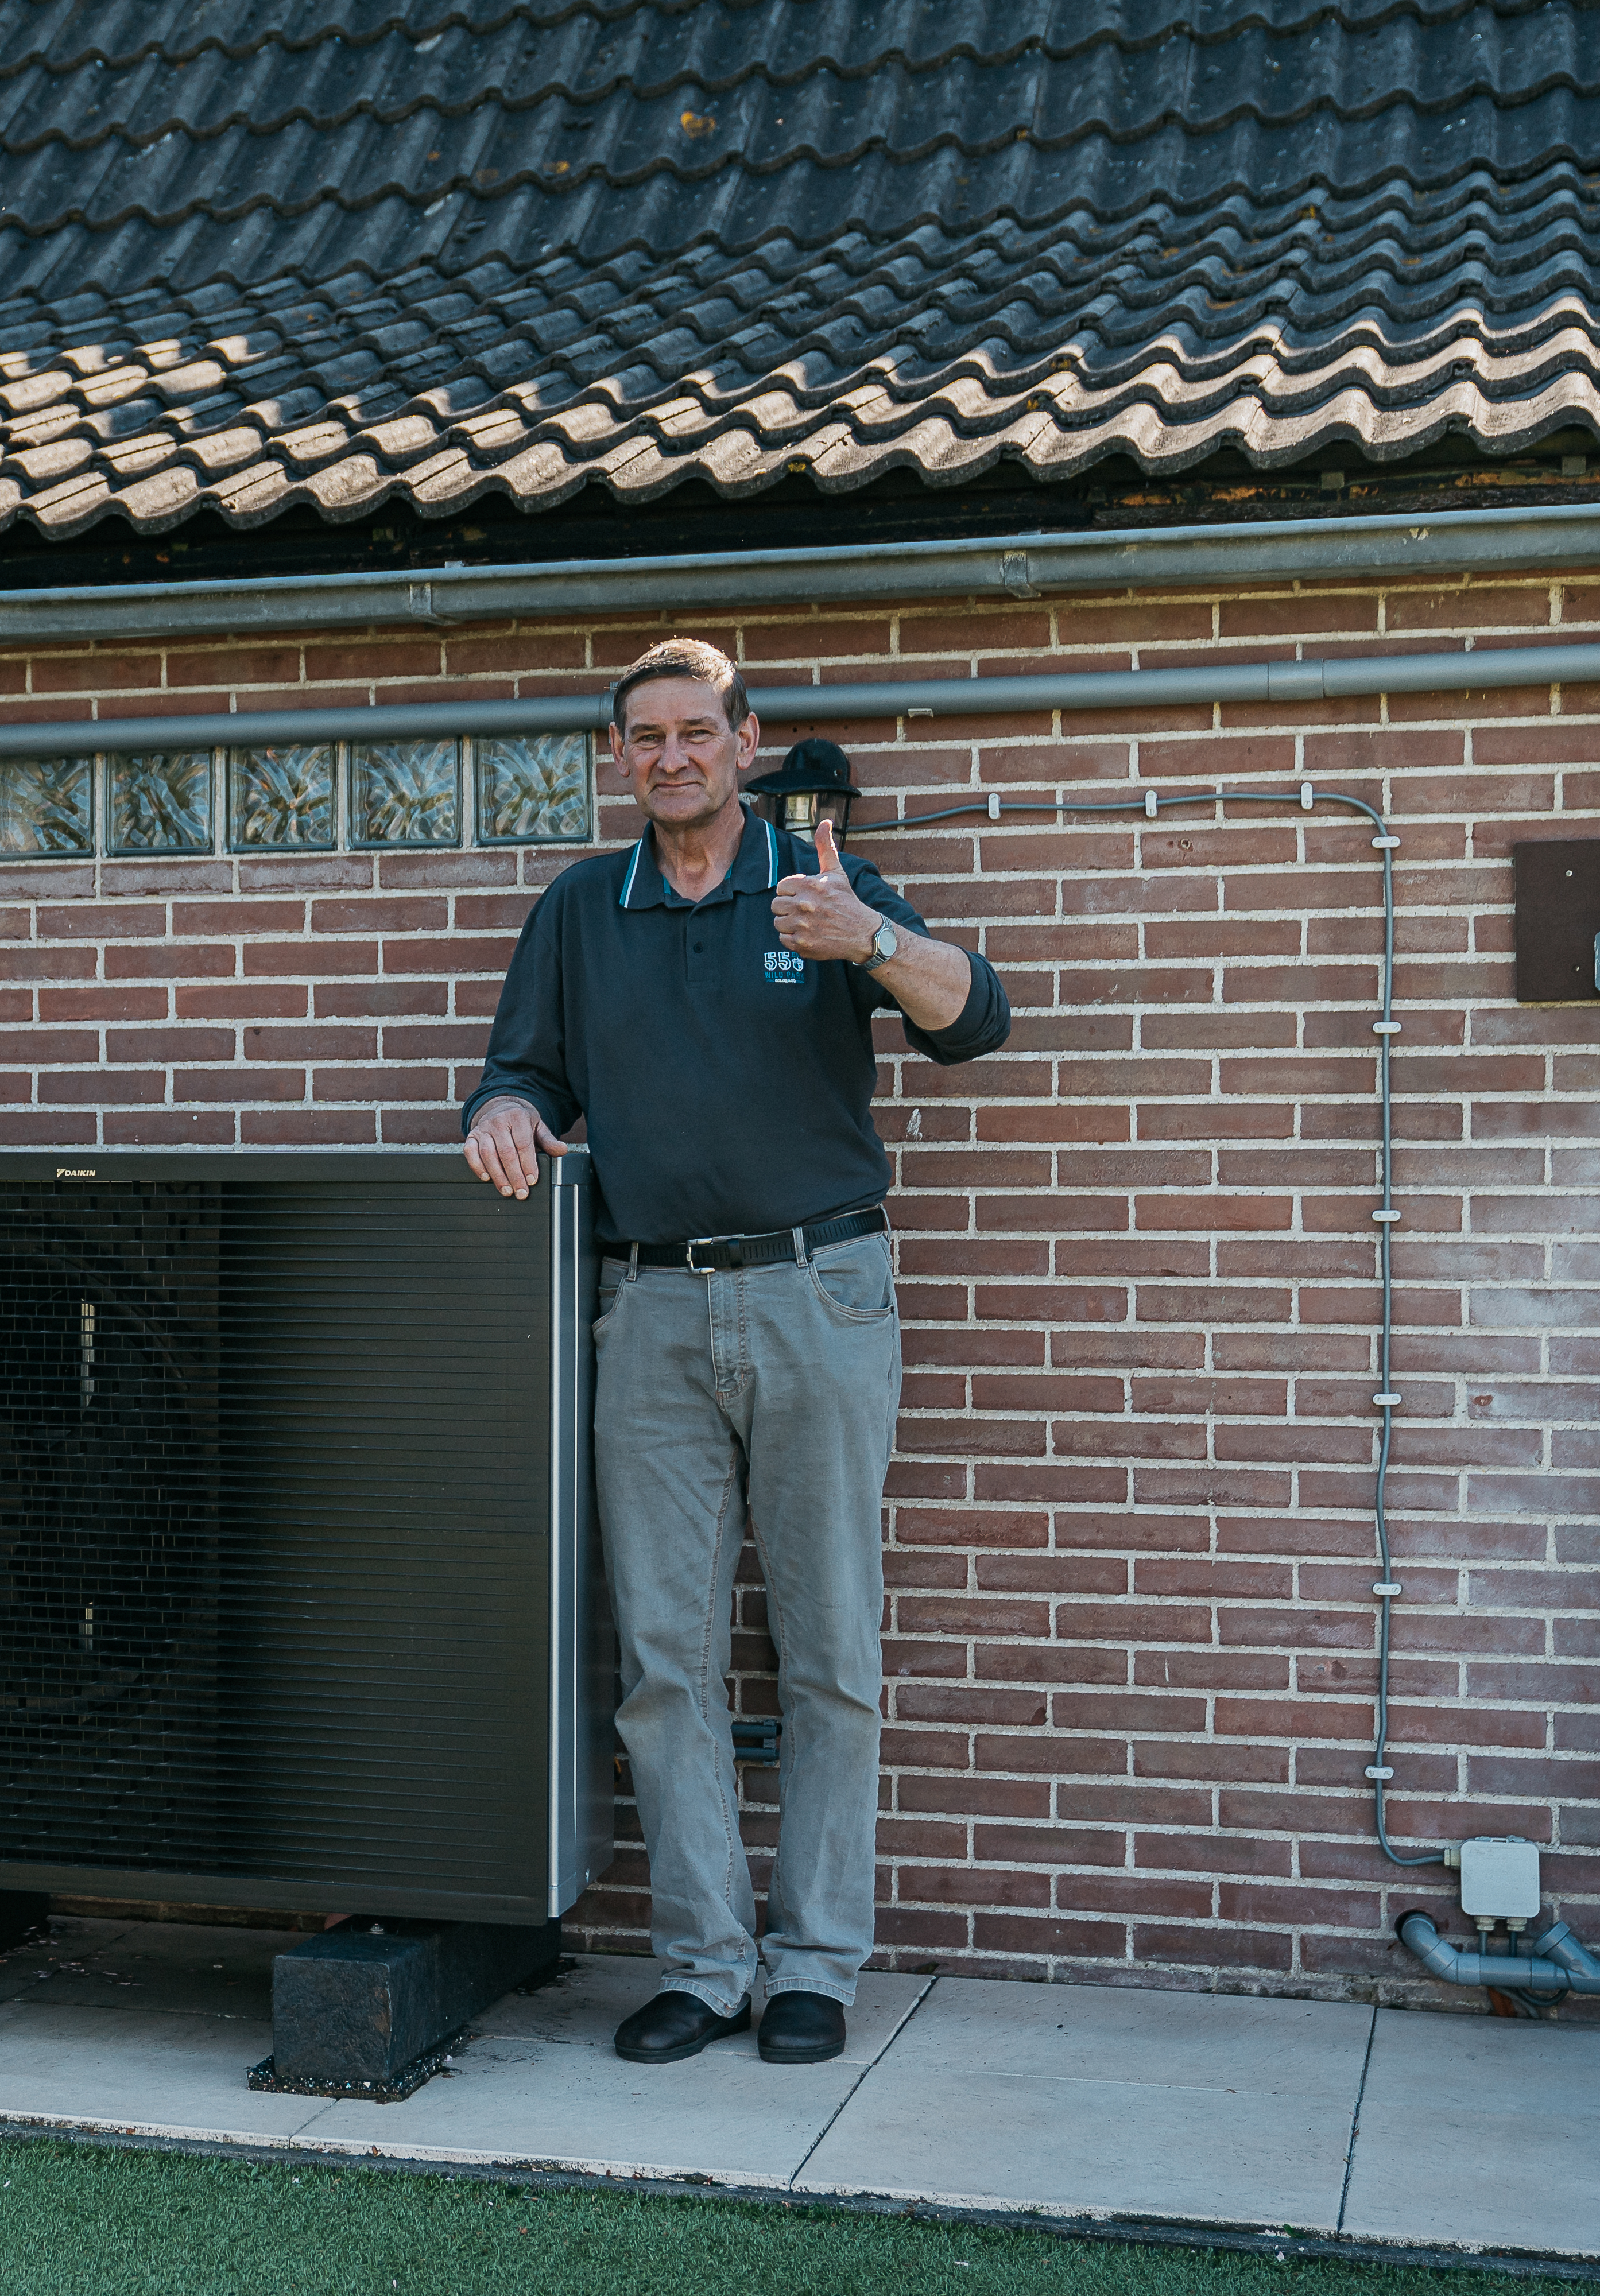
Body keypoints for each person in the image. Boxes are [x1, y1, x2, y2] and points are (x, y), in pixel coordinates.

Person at [462, 637, 1011, 2070]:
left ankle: (816, 1960)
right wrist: (504, 1111)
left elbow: (979, 1017)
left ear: (747, 739)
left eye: (696, 730)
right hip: (646, 1308)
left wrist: (871, 941)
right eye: (643, 736)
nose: (670, 757)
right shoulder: (584, 907)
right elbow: (525, 1065)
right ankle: (705, 1963)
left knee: (829, 1645)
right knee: (663, 1657)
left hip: (818, 1291)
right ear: (621, 756)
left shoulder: (816, 887)